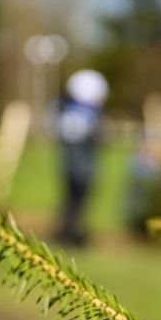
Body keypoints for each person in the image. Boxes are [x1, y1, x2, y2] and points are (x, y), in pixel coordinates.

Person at [57, 69, 108, 247]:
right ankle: (71, 234)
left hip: (72, 167)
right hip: (82, 169)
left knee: (72, 202)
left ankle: (70, 232)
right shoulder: (88, 115)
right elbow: (96, 138)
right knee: (76, 202)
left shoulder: (68, 112)